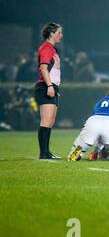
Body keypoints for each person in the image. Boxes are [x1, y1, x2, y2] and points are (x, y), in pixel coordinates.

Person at [34, 22, 63, 159]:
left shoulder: (52, 49)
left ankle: (46, 152)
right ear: (51, 34)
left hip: (51, 86)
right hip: (46, 86)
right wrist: (50, 86)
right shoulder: (47, 48)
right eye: (59, 33)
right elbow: (44, 68)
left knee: (50, 121)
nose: (61, 36)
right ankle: (43, 153)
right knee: (46, 121)